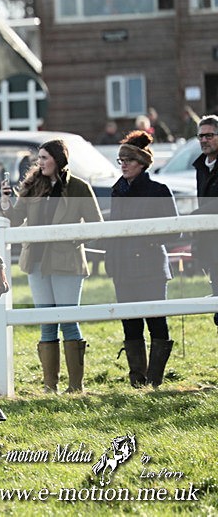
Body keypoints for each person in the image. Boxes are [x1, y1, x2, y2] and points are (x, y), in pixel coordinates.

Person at [0, 139, 103, 394]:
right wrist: (5, 203)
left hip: (66, 262)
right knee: (46, 321)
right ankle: (49, 386)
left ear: (58, 159)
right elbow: (15, 219)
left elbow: (96, 226)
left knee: (68, 320)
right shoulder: (33, 185)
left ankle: (75, 387)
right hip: (35, 261)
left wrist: (71, 240)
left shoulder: (79, 187)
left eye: (45, 157)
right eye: (39, 158)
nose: (40, 162)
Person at [106, 131, 178, 388]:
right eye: (120, 160)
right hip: (123, 268)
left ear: (142, 163)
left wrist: (143, 242)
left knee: (157, 322)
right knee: (130, 325)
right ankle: (137, 379)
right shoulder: (118, 191)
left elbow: (174, 231)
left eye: (128, 159)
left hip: (150, 268)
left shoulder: (158, 190)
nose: (123, 164)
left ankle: (155, 380)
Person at [191, 115, 218, 328]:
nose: (204, 140)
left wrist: (195, 216)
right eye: (201, 136)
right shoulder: (201, 167)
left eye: (209, 135)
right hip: (212, 247)